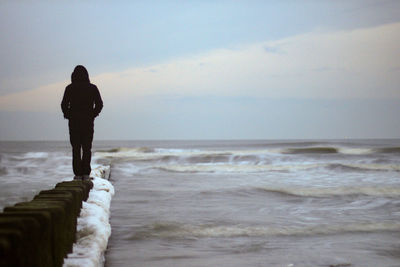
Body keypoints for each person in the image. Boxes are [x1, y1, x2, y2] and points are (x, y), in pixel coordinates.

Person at [61, 65, 103, 180]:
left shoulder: (69, 88)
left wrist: (68, 115)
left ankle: (78, 174)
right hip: (88, 122)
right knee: (86, 148)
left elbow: (64, 105)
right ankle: (85, 173)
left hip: (74, 123)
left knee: (76, 148)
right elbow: (99, 104)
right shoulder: (92, 88)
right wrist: (93, 115)